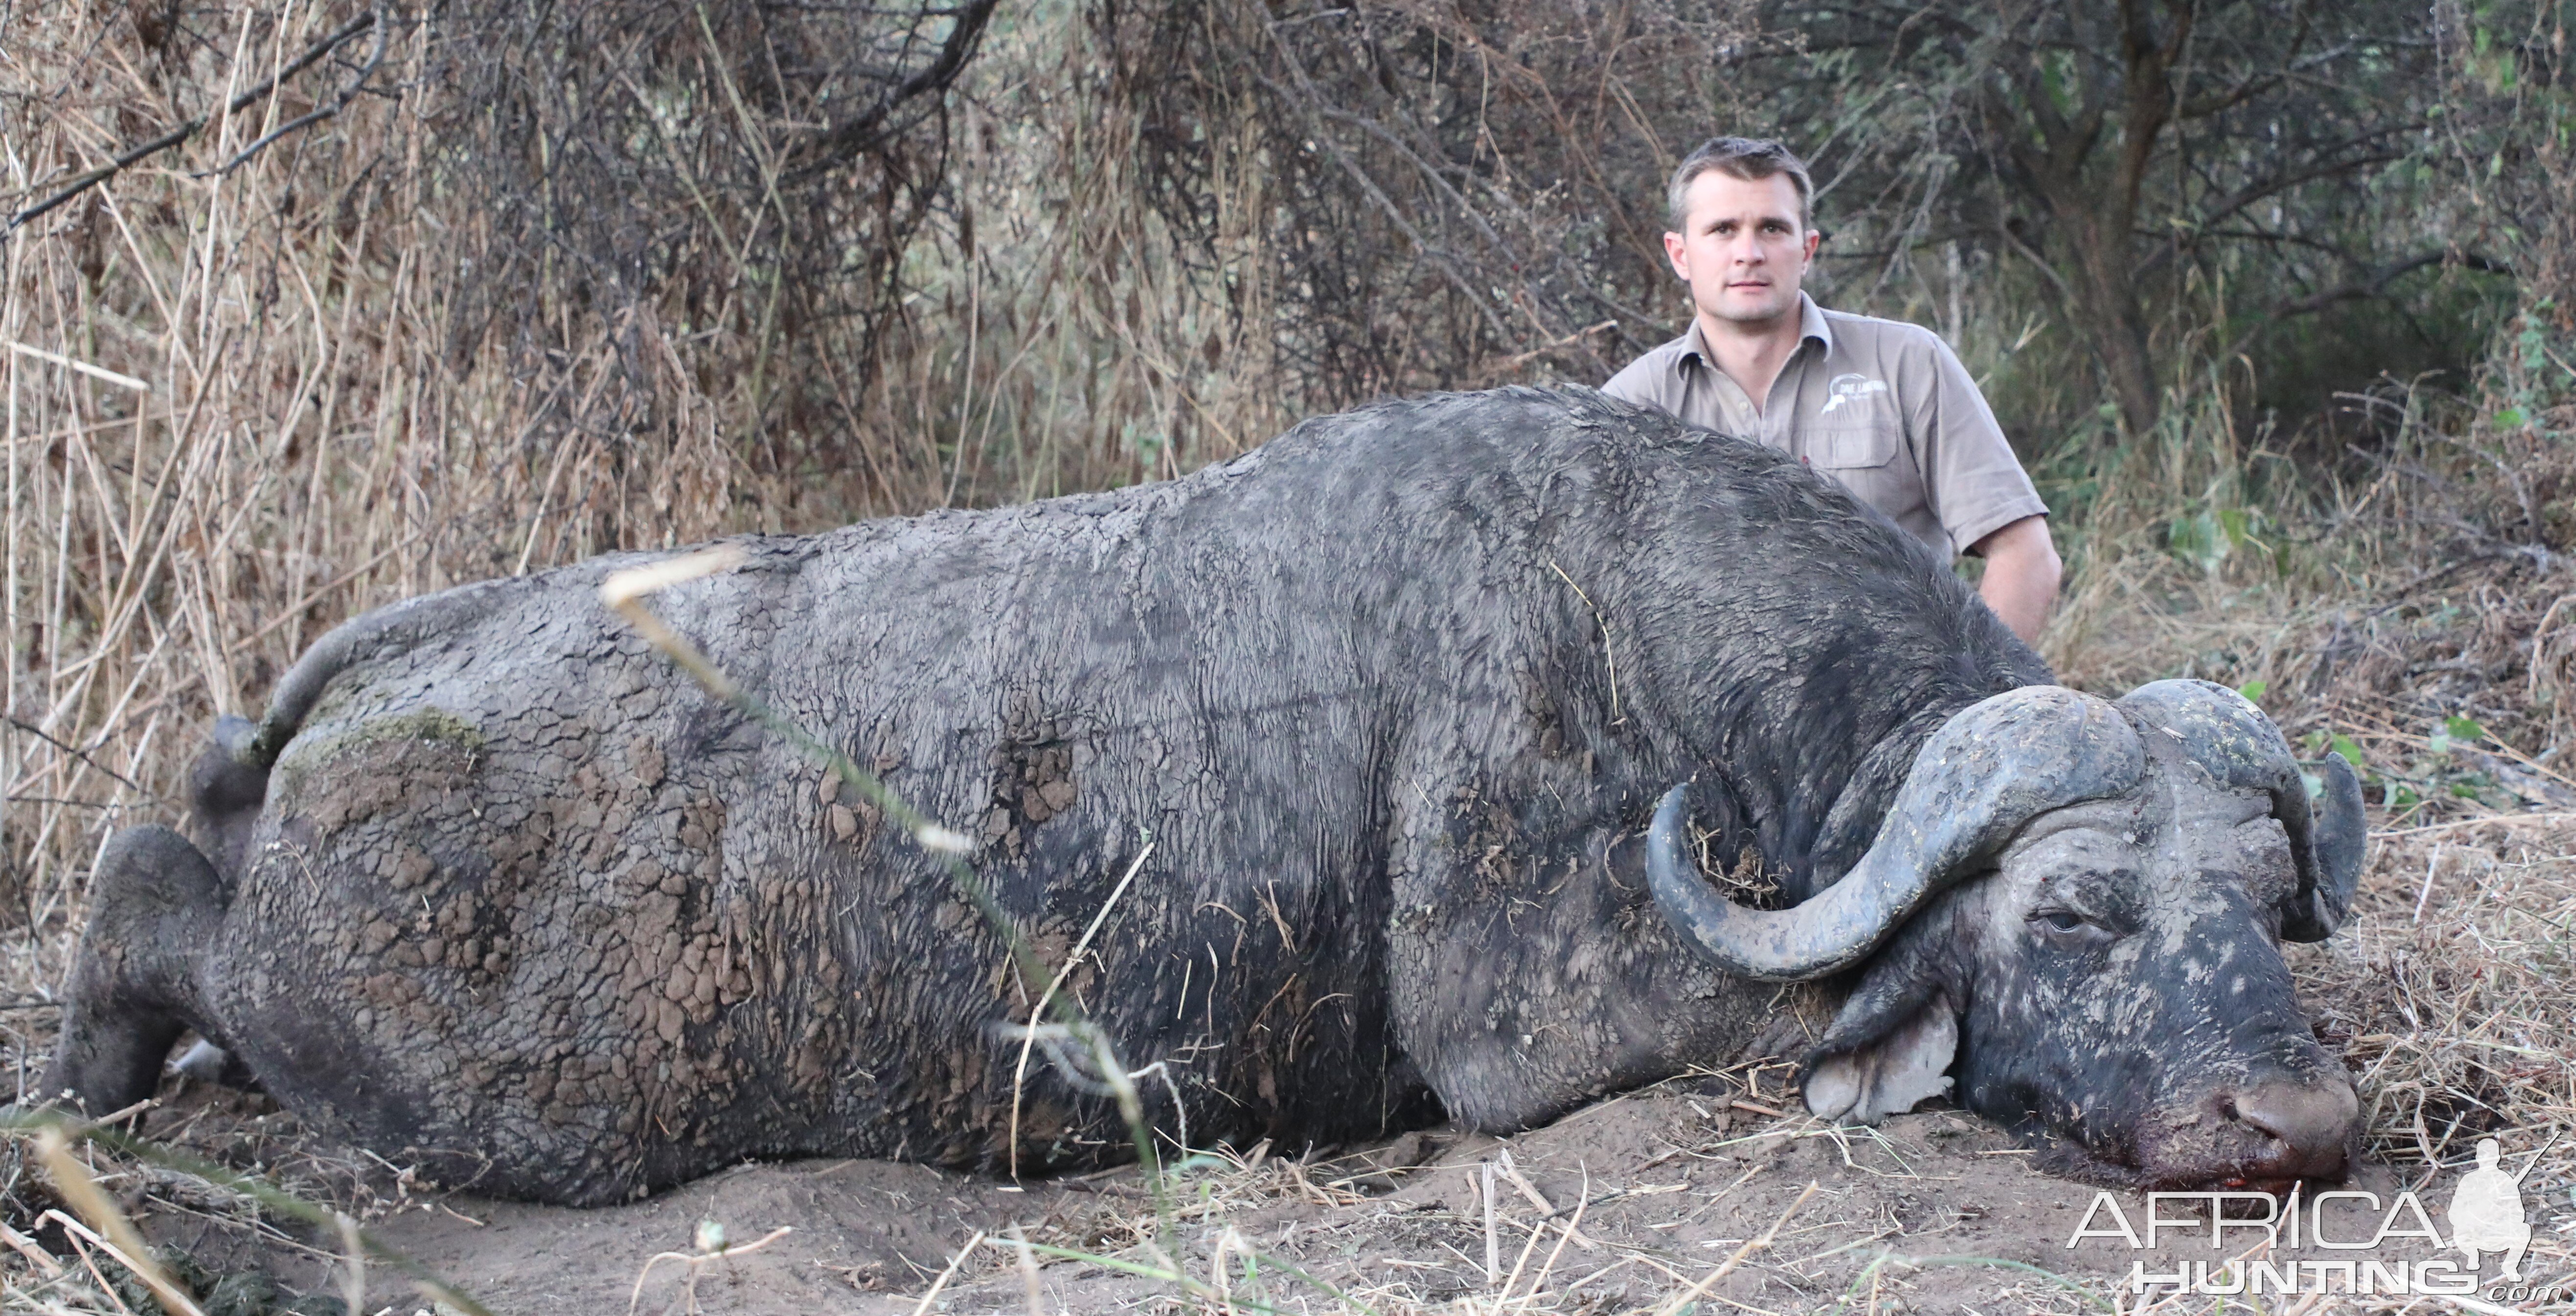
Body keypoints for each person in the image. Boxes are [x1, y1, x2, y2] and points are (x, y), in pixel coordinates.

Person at [1603, 137, 2062, 643]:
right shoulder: (1630, 407)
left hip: (1896, 700)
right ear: (1680, 254)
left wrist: (1974, 700)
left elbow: (2026, 552)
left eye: (1772, 228)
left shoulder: (1907, 363)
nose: (1749, 254)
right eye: (1723, 230)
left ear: (1807, 249)